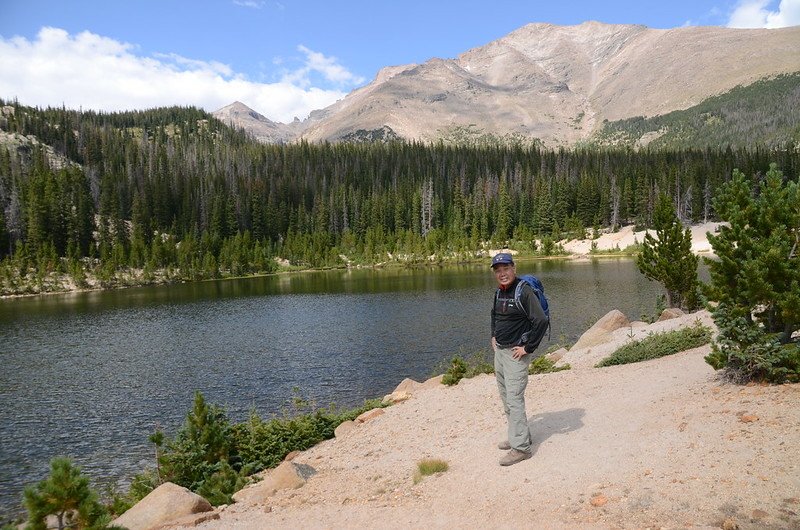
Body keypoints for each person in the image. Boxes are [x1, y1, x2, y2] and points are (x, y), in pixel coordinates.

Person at [490, 252, 549, 466]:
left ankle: (521, 449)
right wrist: (493, 335)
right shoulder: (499, 293)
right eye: (498, 270)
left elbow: (540, 320)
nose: (502, 273)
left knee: (514, 399)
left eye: (506, 269)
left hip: (516, 354)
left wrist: (528, 347)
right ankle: (519, 435)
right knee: (506, 397)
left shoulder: (523, 291)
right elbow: (494, 315)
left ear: (514, 268)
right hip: (501, 352)